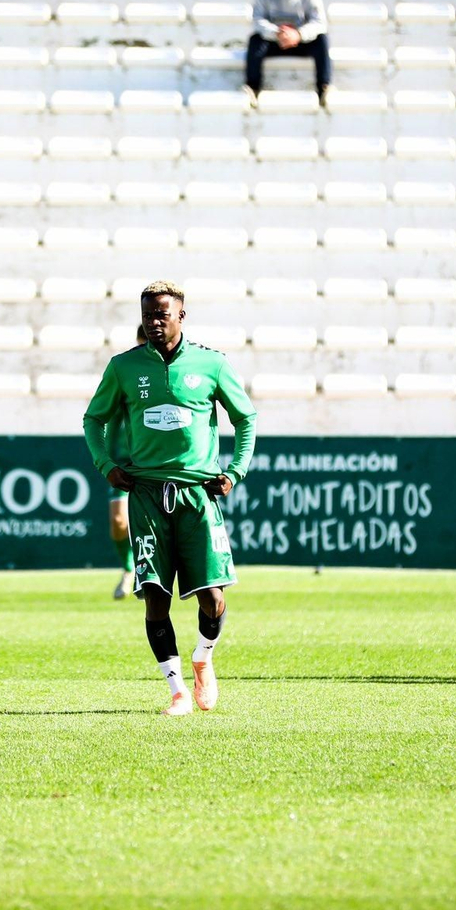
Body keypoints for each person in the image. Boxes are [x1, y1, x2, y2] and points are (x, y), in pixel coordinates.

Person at [83, 282, 258, 716]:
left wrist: (234, 472)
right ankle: (177, 690)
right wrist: (107, 465)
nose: (154, 322)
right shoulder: (123, 367)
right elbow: (94, 420)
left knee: (213, 598)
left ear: (182, 315)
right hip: (145, 495)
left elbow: (246, 419)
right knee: (155, 597)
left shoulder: (212, 364)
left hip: (198, 495)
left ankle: (203, 657)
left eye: (162, 314)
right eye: (148, 315)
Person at [246, 0, 331, 106]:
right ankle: (253, 88)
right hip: (274, 41)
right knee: (255, 40)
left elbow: (319, 22)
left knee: (322, 40)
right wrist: (276, 33)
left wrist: (298, 34)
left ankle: (324, 87)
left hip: (302, 42)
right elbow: (257, 20)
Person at [107, 327, 148, 600]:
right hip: (124, 462)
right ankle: (128, 567)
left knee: (149, 522)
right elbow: (107, 417)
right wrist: (108, 459)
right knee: (119, 521)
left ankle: (147, 576)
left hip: (151, 460)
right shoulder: (126, 371)